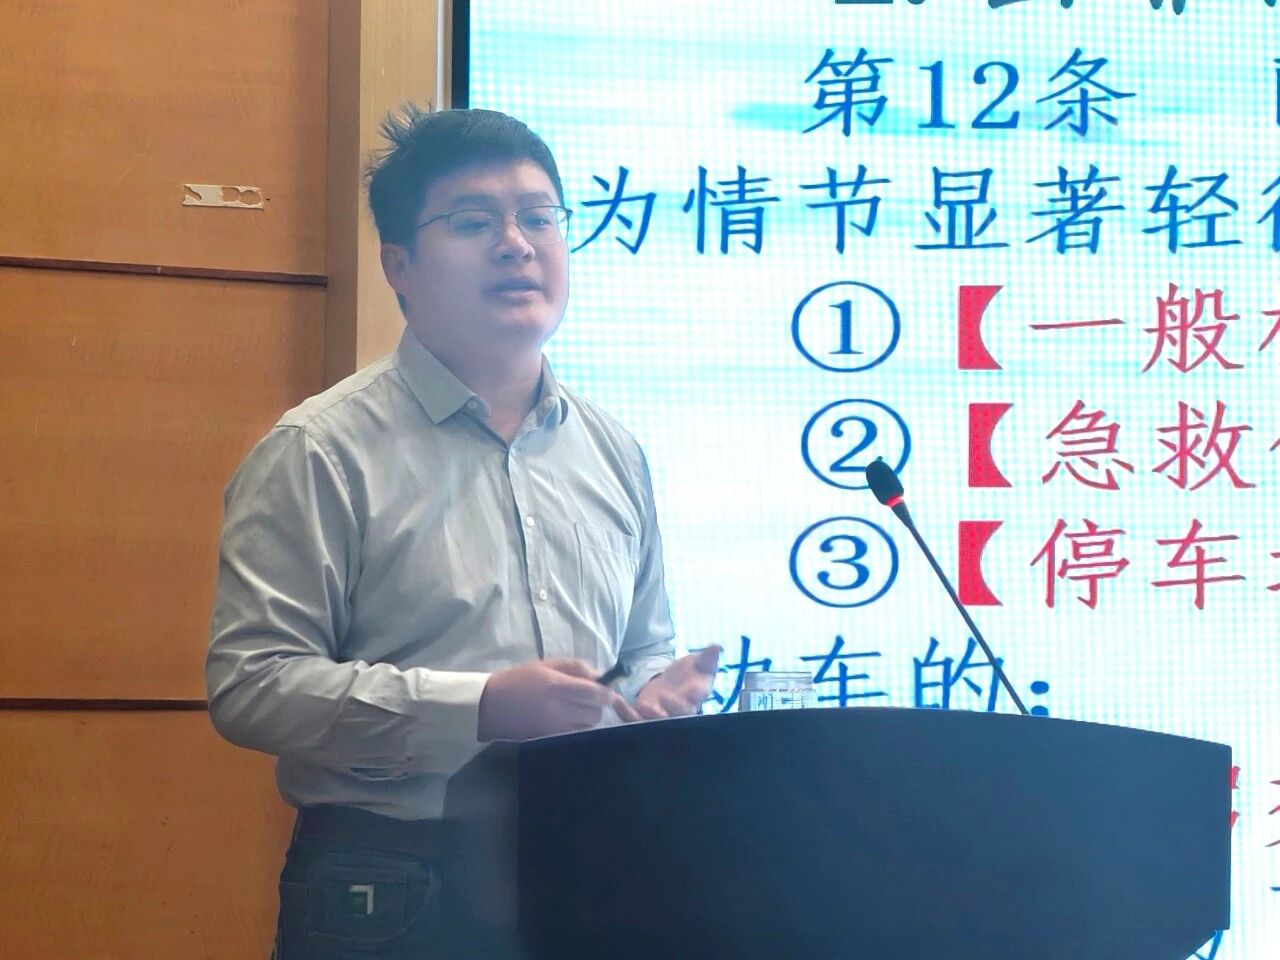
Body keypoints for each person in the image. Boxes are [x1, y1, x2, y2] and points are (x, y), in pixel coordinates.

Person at [204, 105, 721, 959]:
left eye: (540, 218)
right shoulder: (321, 449)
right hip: (394, 880)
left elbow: (642, 646)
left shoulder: (613, 450)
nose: (517, 245)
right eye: (475, 222)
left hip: (597, 861)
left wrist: (647, 701)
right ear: (399, 265)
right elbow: (252, 685)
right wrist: (479, 707)